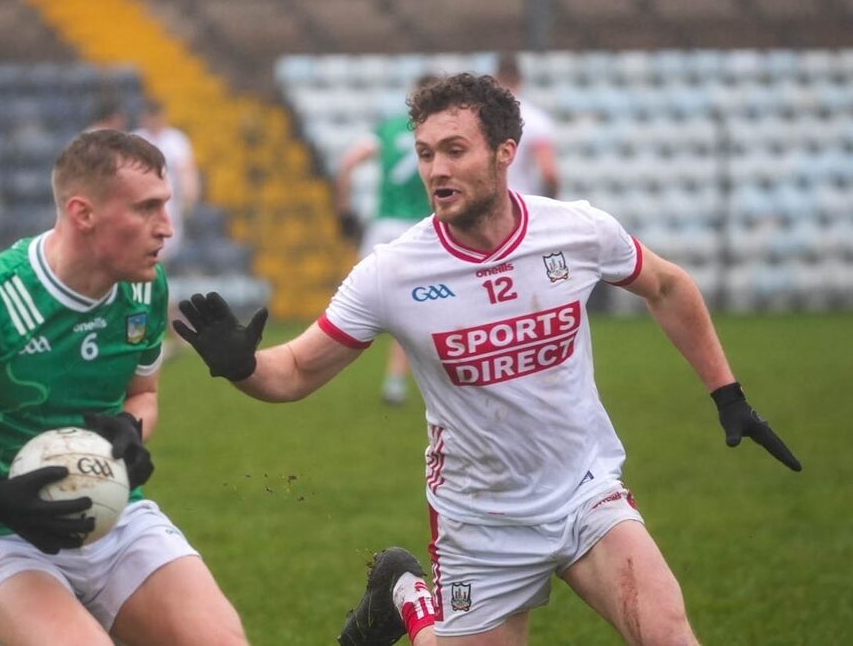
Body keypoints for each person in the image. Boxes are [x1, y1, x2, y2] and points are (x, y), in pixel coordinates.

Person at [172, 74, 801, 646]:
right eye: (424, 154)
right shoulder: (391, 272)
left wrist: (729, 395)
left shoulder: (576, 231)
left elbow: (667, 285)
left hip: (586, 492)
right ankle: (407, 594)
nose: (435, 169)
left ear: (505, 151)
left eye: (454, 150)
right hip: (481, 519)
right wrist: (241, 366)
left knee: (671, 637)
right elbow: (297, 372)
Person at [0, 130, 247, 646]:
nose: (167, 229)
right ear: (82, 213)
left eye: (167, 206)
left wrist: (132, 431)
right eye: (147, 209)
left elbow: (144, 393)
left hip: (116, 513)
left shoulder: (145, 287)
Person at [334, 75, 436, 405]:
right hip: (422, 227)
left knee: (359, 300)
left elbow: (348, 163)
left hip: (384, 226)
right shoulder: (440, 132)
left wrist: (345, 209)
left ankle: (320, 364)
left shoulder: (389, 128)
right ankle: (396, 380)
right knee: (418, 307)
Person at [133, 101, 200, 271]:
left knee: (163, 250)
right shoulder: (136, 139)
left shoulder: (176, 140)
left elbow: (187, 171)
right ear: (144, 118)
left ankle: (158, 287)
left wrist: (190, 197)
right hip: (140, 203)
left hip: (169, 204)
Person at [495, 54, 560, 198]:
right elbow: (549, 172)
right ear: (521, 80)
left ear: (495, 79)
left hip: (491, 202)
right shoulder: (535, 120)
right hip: (523, 202)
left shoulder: (483, 117)